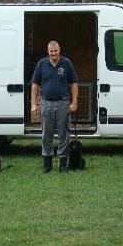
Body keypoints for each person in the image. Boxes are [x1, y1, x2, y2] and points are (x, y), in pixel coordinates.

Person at [31, 41, 79, 173]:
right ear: (48, 52)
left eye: (55, 51)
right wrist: (34, 104)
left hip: (63, 103)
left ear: (59, 50)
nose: (53, 54)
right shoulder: (41, 64)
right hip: (45, 103)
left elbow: (74, 83)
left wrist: (74, 102)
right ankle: (47, 164)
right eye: (51, 51)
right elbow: (35, 84)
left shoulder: (66, 63)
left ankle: (63, 164)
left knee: (64, 134)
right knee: (46, 134)